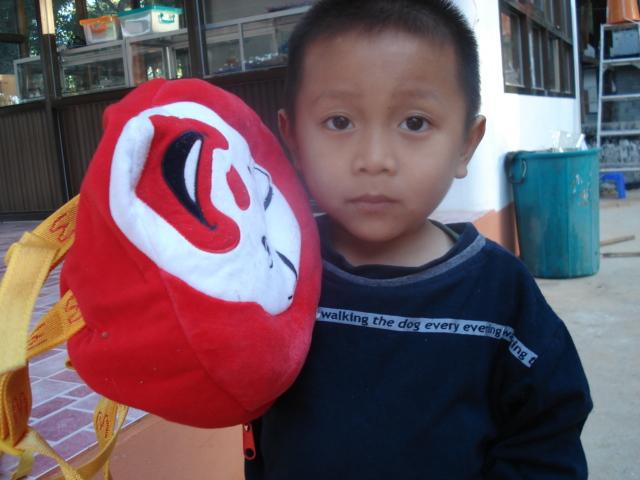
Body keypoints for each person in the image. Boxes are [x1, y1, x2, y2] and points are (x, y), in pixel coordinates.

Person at [245, 0, 593, 478]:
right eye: (339, 122)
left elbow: (547, 440)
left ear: (465, 145)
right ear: (293, 138)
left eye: (414, 122)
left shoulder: (502, 299)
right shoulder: (274, 270)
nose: (374, 159)